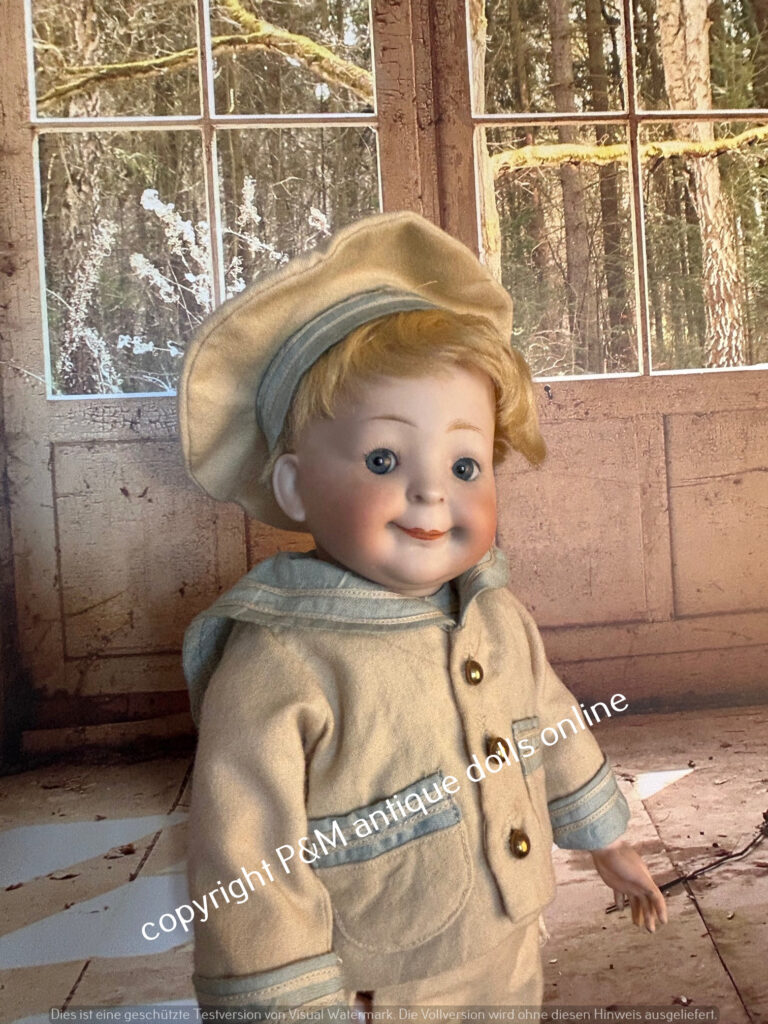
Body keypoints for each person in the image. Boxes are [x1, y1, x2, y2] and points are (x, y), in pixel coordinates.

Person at [179, 210, 667, 1015]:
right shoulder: (280, 658)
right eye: (383, 458)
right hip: (381, 976)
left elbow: (548, 720)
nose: (432, 491)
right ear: (296, 486)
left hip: (509, 934)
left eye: (466, 464)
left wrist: (606, 838)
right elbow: (246, 854)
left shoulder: (493, 613)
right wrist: (288, 1001)